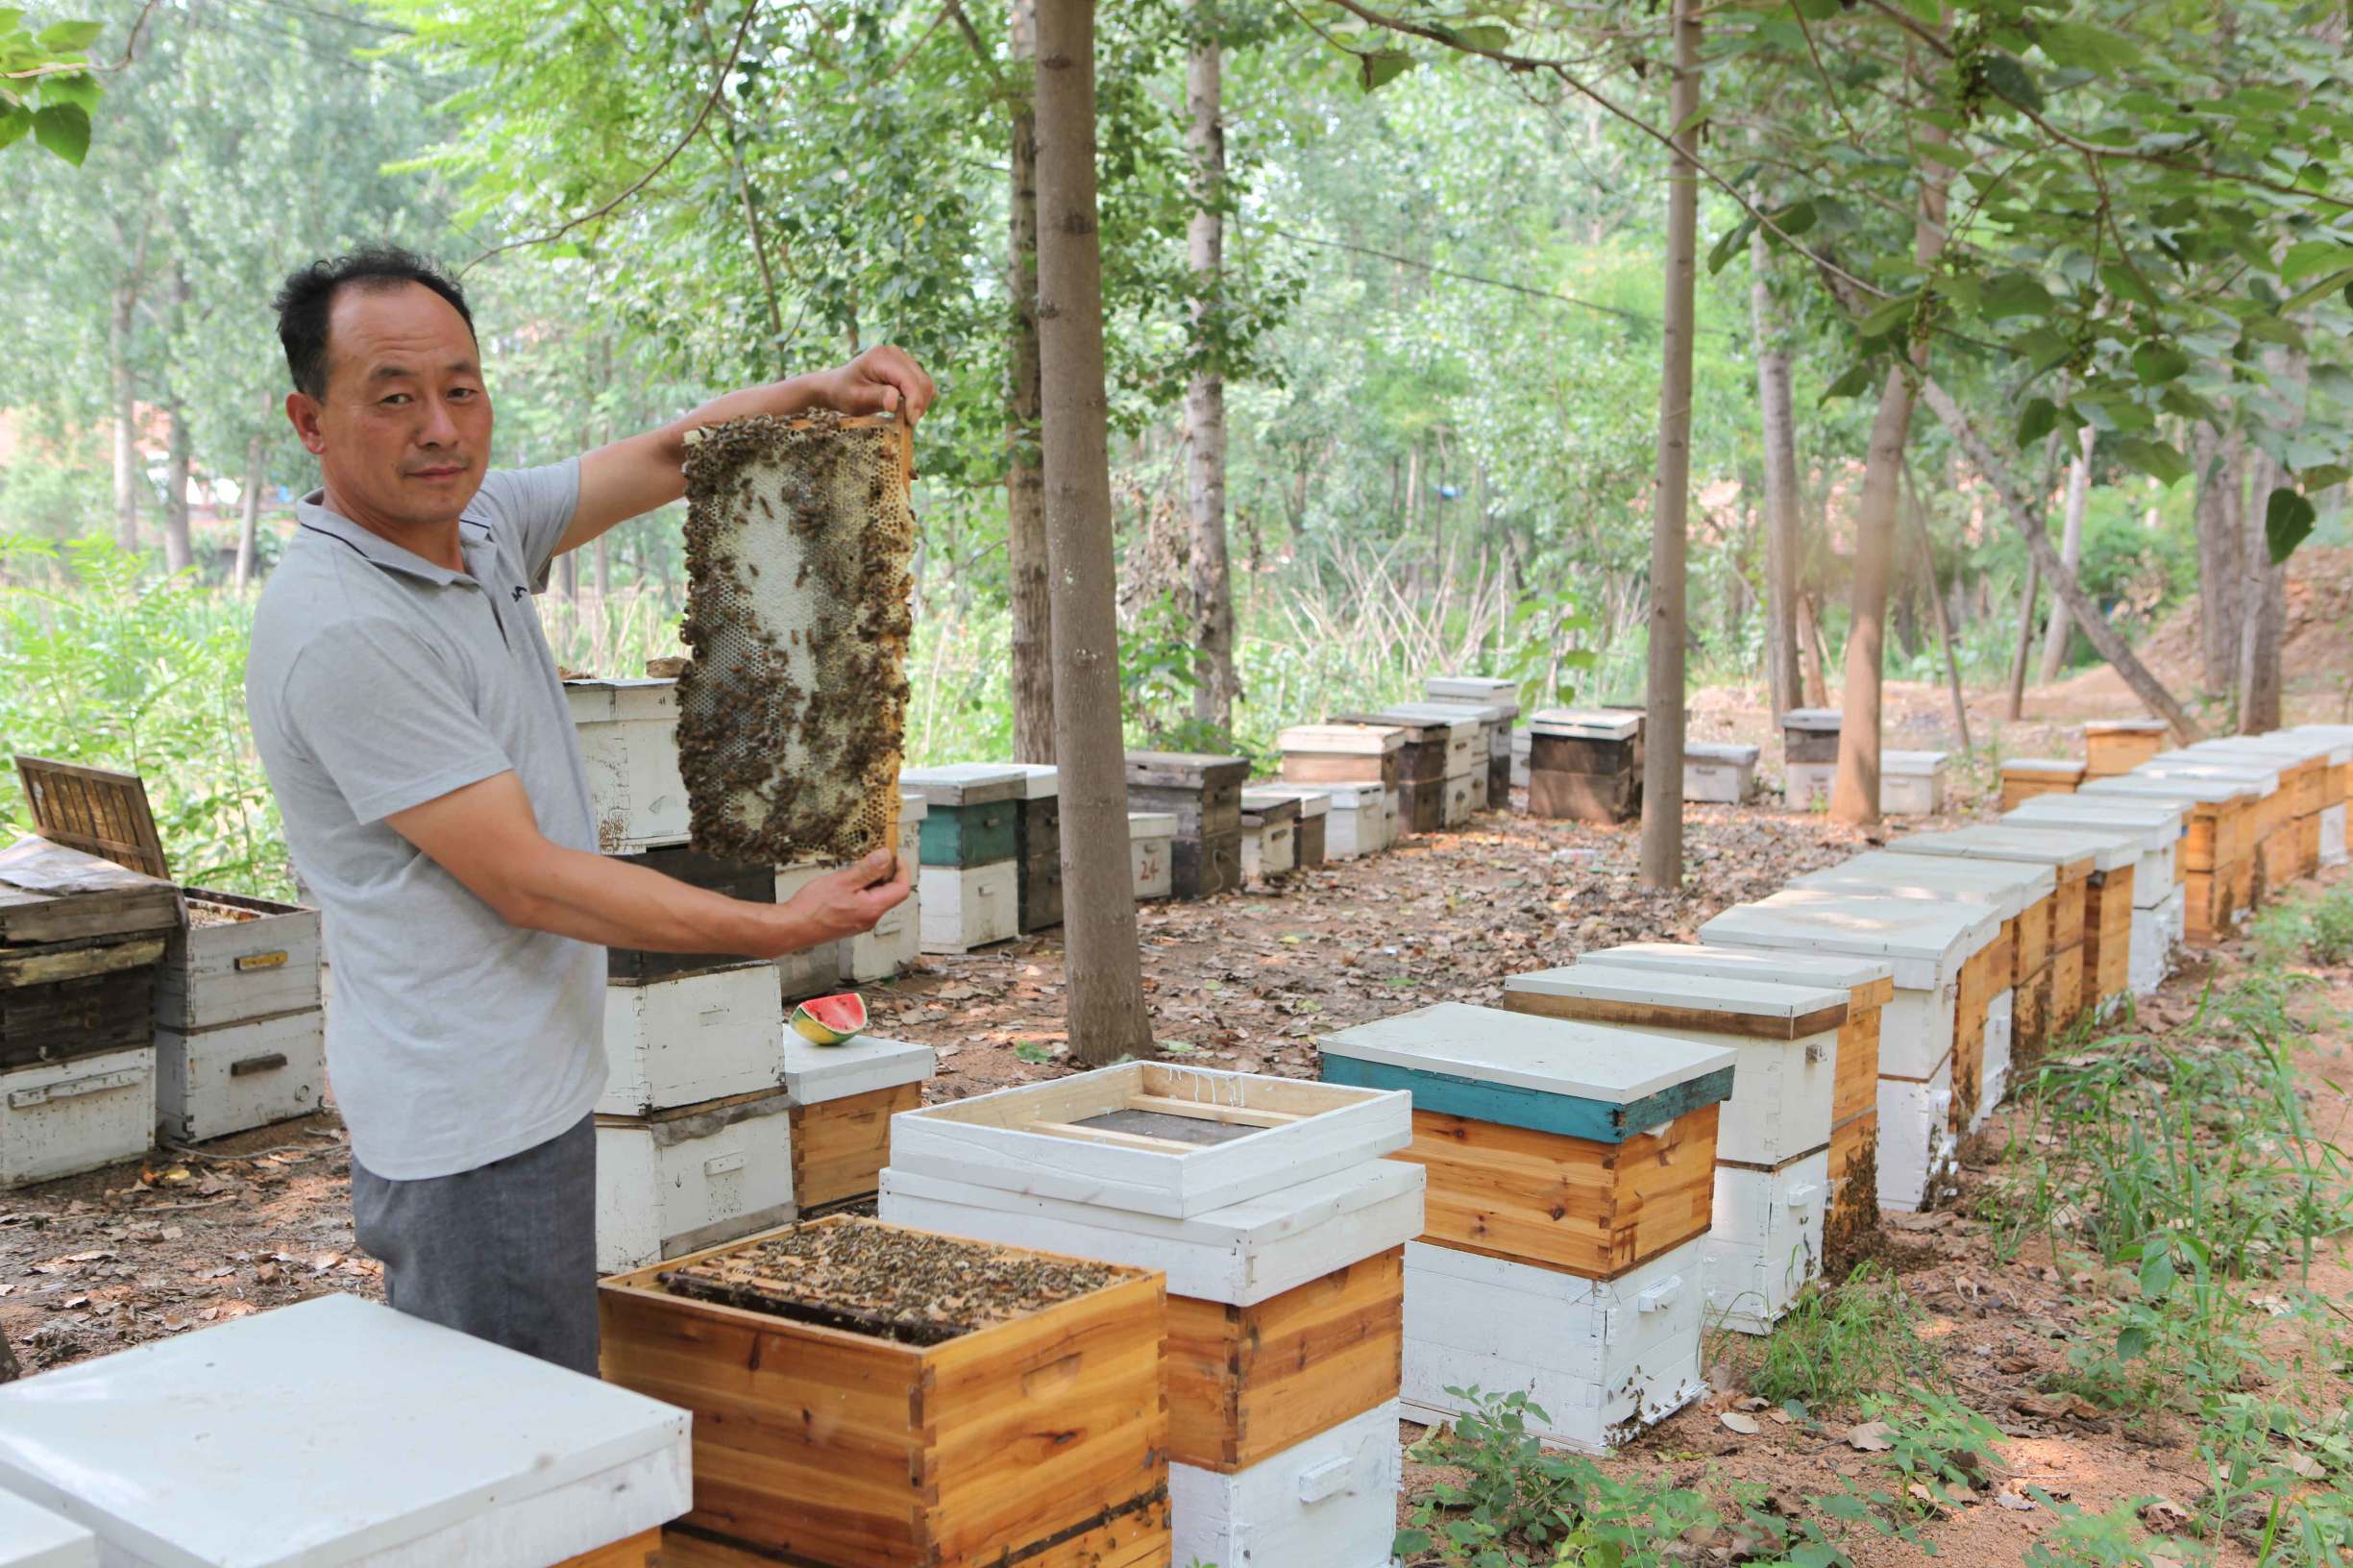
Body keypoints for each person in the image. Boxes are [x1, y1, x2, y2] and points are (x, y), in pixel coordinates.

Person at [244, 245, 934, 1374]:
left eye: (461, 389)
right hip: (470, 1124)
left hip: (528, 1080)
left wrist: (816, 392)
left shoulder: (473, 530)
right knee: (515, 1448)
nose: (440, 428)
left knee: (530, 1419)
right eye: (395, 396)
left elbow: (676, 455)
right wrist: (780, 929)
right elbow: (528, 878)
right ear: (311, 423)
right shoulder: (346, 625)